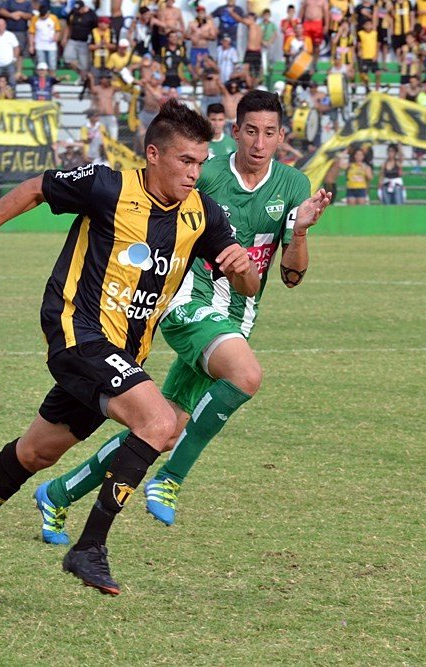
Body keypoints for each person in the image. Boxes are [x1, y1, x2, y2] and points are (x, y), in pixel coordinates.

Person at [0, 100, 260, 596]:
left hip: (122, 354)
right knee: (159, 422)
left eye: (201, 162)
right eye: (186, 161)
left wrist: (243, 268)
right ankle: (89, 547)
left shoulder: (202, 214)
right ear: (153, 155)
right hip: (76, 332)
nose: (195, 173)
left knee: (36, 452)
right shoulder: (107, 186)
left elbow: (249, 287)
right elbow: (35, 188)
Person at [33, 90, 331, 545]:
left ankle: (57, 494)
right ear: (235, 132)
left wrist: (301, 231)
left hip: (236, 317)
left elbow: (291, 275)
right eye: (251, 131)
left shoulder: (293, 185)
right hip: (186, 298)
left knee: (164, 429)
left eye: (270, 133)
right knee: (246, 374)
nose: (259, 142)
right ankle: (169, 480)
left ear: (281, 137)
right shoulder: (204, 172)